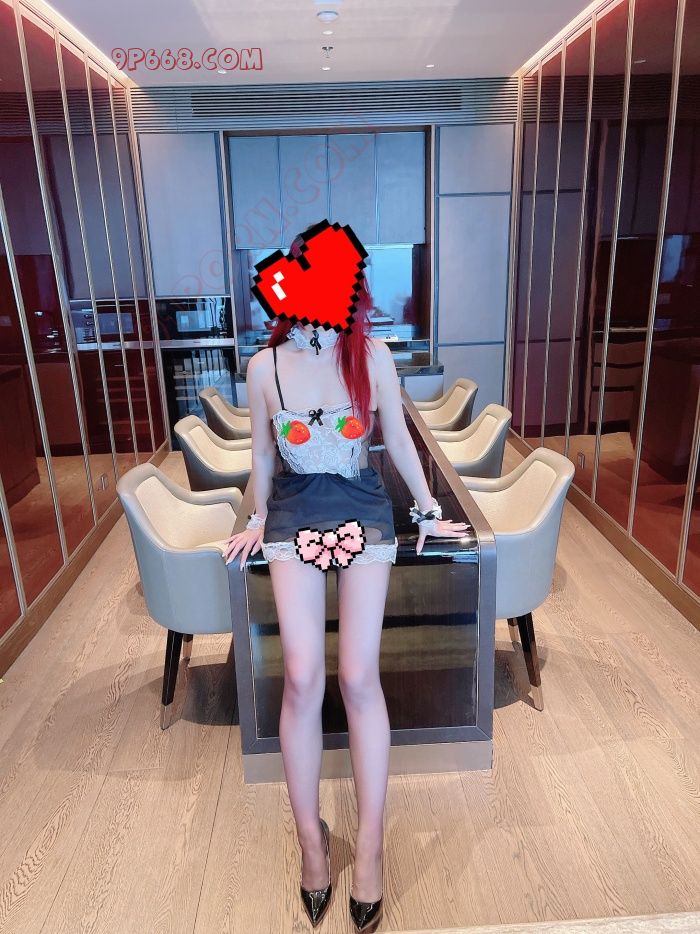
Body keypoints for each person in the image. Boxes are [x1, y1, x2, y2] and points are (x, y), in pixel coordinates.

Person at [223, 230, 468, 932]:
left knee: (359, 676)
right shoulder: (264, 368)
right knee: (302, 677)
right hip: (293, 513)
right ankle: (311, 844)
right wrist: (254, 516)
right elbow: (263, 458)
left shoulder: (372, 356)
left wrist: (427, 510)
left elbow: (399, 438)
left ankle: (371, 849)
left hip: (363, 509)